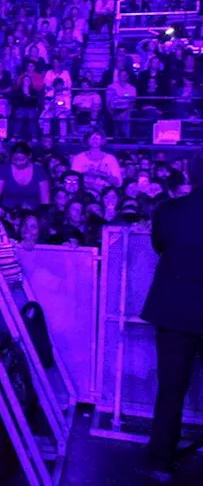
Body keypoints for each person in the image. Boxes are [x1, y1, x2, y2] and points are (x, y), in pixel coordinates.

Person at [141, 151, 204, 479]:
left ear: (190, 176)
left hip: (175, 312)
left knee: (170, 391)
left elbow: (159, 246)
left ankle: (160, 463)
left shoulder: (169, 211)